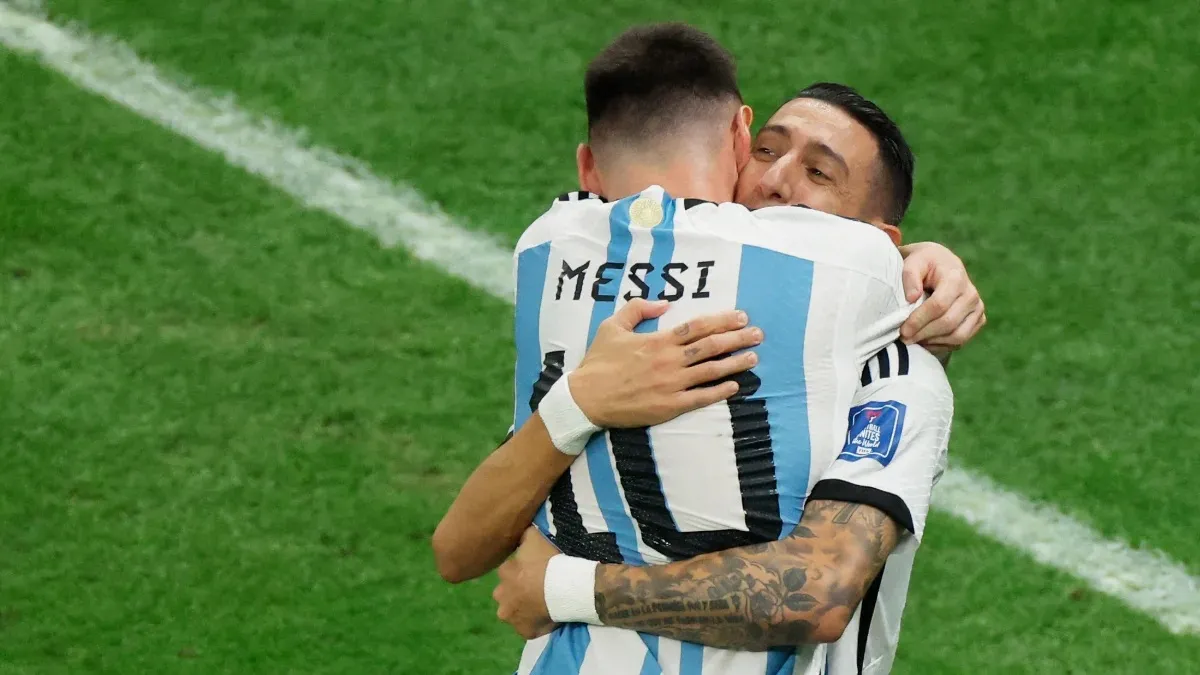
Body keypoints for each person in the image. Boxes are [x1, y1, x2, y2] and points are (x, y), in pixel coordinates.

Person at [435, 24, 965, 674]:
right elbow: (459, 549)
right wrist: (578, 404)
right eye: (765, 151)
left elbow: (814, 590)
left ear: (877, 239)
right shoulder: (628, 330)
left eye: (819, 172)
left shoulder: (900, 374)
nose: (774, 180)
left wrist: (565, 588)